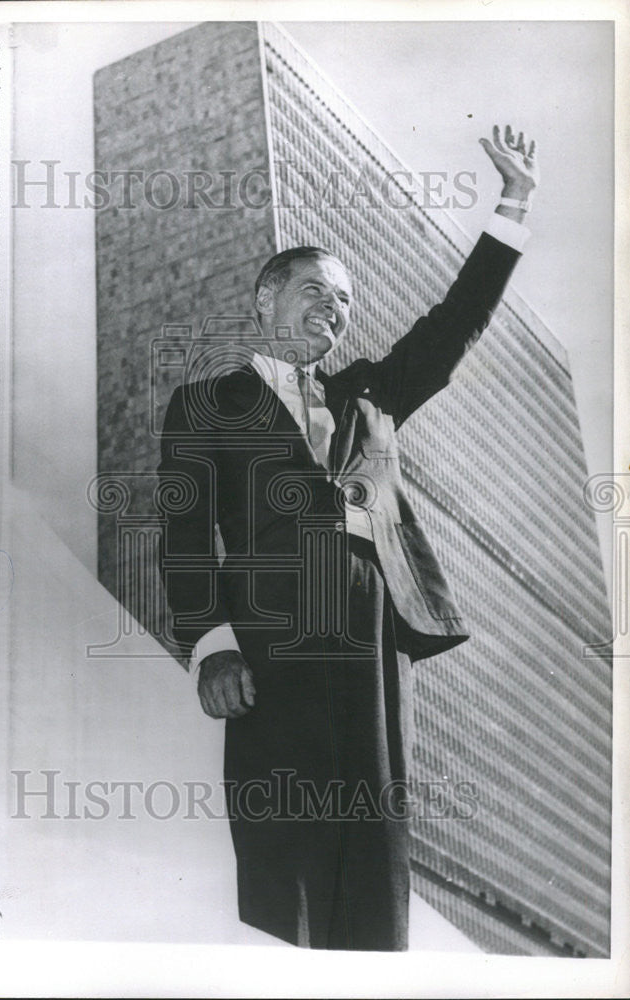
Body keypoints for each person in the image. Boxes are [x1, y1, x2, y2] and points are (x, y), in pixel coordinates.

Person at [156, 125, 539, 950]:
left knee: (375, 842)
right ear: (267, 297)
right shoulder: (204, 405)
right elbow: (184, 533)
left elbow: (452, 327)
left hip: (372, 633)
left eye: (345, 304)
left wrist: (513, 205)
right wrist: (212, 643)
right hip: (273, 633)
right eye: (317, 292)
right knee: (284, 838)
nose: (334, 312)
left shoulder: (369, 394)